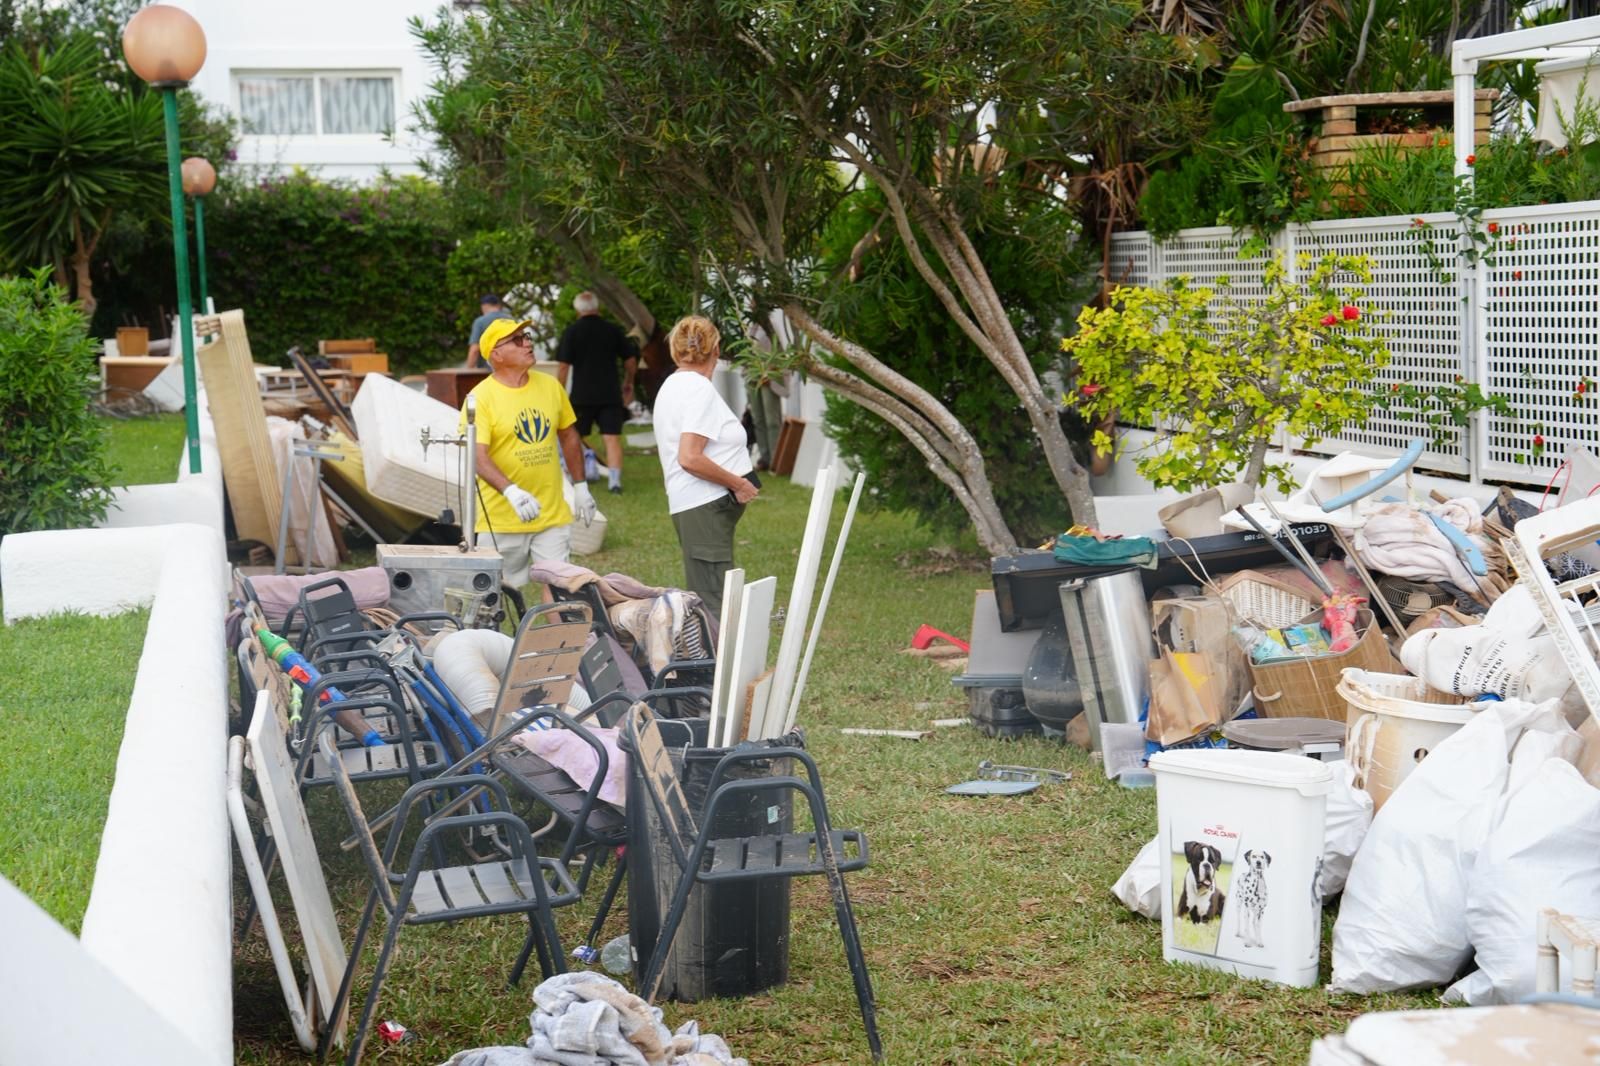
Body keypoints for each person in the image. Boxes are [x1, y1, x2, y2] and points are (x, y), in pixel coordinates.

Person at [464, 317, 597, 594]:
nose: (527, 343)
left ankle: (559, 626)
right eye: (517, 340)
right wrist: (512, 492)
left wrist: (581, 486)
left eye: (526, 336)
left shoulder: (550, 386)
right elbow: (477, 456)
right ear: (496, 355)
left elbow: (569, 435)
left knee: (559, 589)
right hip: (501, 519)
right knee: (491, 597)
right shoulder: (480, 398)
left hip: (551, 515)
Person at [653, 315, 758, 614]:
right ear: (716, 349)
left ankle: (717, 645)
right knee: (714, 601)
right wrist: (738, 484)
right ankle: (716, 647)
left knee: (713, 593)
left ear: (675, 350)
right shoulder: (698, 389)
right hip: (704, 505)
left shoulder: (674, 384)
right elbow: (689, 457)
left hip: (699, 506)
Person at [555, 291, 637, 493]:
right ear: (597, 307)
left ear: (577, 310)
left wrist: (558, 393)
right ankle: (615, 483)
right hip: (610, 393)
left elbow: (563, 366)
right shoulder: (612, 330)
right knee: (612, 437)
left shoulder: (572, 332)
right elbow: (630, 360)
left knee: (574, 437)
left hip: (581, 395)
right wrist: (629, 382)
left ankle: (576, 478)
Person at [465, 293, 513, 368]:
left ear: (484, 306)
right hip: (511, 368)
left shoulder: (480, 322)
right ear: (498, 305)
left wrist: (468, 369)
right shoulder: (511, 320)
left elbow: (474, 349)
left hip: (488, 370)